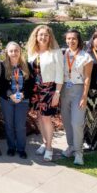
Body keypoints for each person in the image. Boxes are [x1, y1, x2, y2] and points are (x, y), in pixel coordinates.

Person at [26, 25, 65, 161]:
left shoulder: (56, 52)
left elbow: (60, 74)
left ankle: (49, 148)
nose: (43, 37)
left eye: (46, 35)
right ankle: (44, 142)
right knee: (38, 117)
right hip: (35, 89)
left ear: (50, 37)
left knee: (46, 118)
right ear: (36, 36)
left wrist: (57, 93)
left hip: (49, 89)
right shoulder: (32, 52)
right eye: (40, 34)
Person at [0, 42, 35, 159]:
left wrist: (22, 95)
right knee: (9, 125)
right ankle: (11, 147)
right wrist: (10, 95)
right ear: (7, 53)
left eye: (16, 50)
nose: (14, 53)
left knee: (20, 126)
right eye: (11, 51)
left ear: (20, 51)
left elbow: (31, 84)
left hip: (22, 100)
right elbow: (0, 84)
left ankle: (21, 149)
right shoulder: (2, 66)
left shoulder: (26, 65)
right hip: (7, 100)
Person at [60, 30, 92, 165]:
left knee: (77, 123)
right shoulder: (62, 54)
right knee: (67, 122)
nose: (71, 41)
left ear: (79, 40)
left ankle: (79, 152)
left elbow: (87, 78)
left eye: (74, 38)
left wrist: (84, 96)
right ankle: (71, 146)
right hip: (64, 90)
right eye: (68, 38)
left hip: (79, 90)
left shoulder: (86, 57)